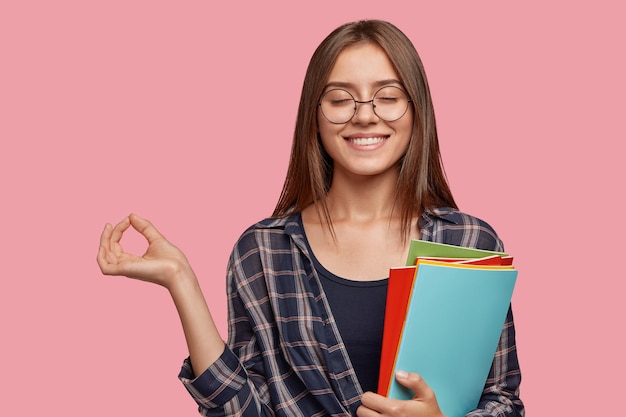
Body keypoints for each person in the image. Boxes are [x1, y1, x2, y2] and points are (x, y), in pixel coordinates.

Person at [97, 20, 524, 417]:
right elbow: (244, 410)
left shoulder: (469, 243)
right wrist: (181, 280)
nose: (364, 115)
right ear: (314, 116)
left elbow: (503, 401)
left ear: (417, 112)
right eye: (340, 99)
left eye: (388, 97)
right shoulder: (263, 251)